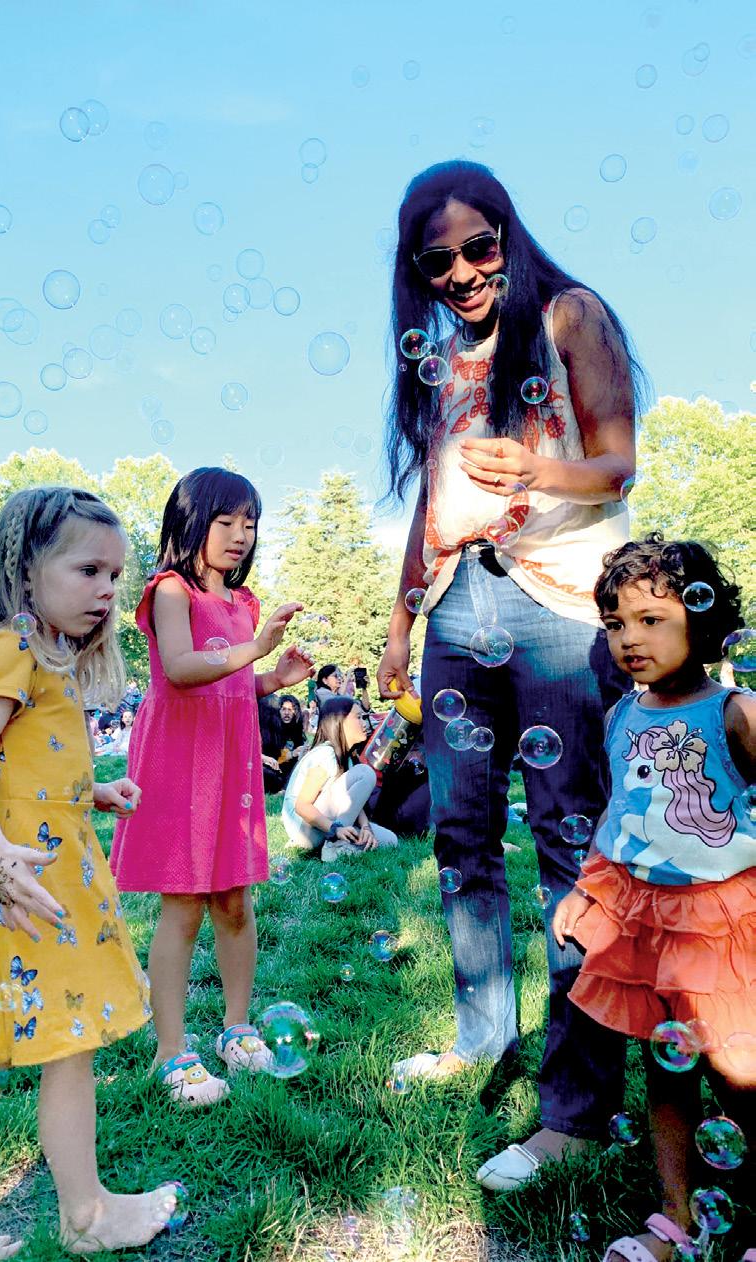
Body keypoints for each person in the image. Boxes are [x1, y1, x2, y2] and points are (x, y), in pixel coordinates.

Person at [377, 160, 646, 1183]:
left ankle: (575, 1108)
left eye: (479, 247)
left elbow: (617, 463)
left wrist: (536, 468)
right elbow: (429, 501)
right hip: (458, 602)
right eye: (436, 260)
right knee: (460, 833)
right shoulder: (441, 359)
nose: (462, 272)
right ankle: (481, 1034)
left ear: (508, 234)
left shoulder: (571, 314)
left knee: (571, 844)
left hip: (560, 603)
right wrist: (401, 622)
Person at [0, 487, 183, 1257]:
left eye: (115, 575)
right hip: (21, 887)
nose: (107, 590)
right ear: (27, 567)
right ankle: (87, 1217)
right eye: (89, 570)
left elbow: (13, 762)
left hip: (34, 877)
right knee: (66, 1045)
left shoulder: (44, 654)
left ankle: (85, 1213)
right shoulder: (13, 648)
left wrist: (91, 790)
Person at [550, 535, 755, 1261]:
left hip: (726, 919)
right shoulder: (620, 718)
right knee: (668, 1070)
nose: (629, 639)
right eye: (615, 624)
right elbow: (620, 820)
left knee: (740, 1072)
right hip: (651, 920)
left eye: (650, 620)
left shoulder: (734, 712)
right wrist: (586, 890)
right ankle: (676, 1217)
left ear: (703, 619)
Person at [110, 467, 313, 1107]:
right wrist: (255, 649)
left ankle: (236, 1027)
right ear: (190, 523)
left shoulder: (242, 603)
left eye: (249, 524)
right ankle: (171, 1052)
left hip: (230, 765)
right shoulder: (171, 590)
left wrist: (273, 679)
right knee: (184, 905)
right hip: (179, 761)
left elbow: (231, 683)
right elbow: (179, 668)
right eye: (226, 522)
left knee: (233, 900)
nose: (240, 535)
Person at [282, 697, 398, 862]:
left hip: (328, 825)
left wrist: (366, 827)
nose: (364, 723)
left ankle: (343, 845)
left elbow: (352, 801)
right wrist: (335, 829)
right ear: (340, 722)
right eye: (358, 717)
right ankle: (334, 846)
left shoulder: (348, 758)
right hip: (305, 829)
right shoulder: (325, 754)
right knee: (366, 772)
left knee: (390, 840)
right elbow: (302, 806)